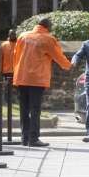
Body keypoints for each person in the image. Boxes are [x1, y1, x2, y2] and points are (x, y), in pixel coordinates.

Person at [14, 17, 71, 147]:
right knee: (35, 109)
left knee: (24, 109)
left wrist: (16, 73)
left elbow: (16, 55)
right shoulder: (48, 39)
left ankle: (25, 137)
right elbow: (58, 56)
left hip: (22, 77)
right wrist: (68, 65)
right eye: (50, 27)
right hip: (36, 79)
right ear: (45, 26)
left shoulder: (23, 36)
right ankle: (33, 138)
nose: (50, 30)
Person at [0, 29, 17, 104]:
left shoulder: (19, 44)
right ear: (8, 35)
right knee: (7, 89)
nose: (12, 35)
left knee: (19, 89)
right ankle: (7, 103)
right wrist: (0, 70)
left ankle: (20, 103)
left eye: (13, 34)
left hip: (17, 71)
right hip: (6, 71)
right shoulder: (3, 45)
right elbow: (0, 58)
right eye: (11, 34)